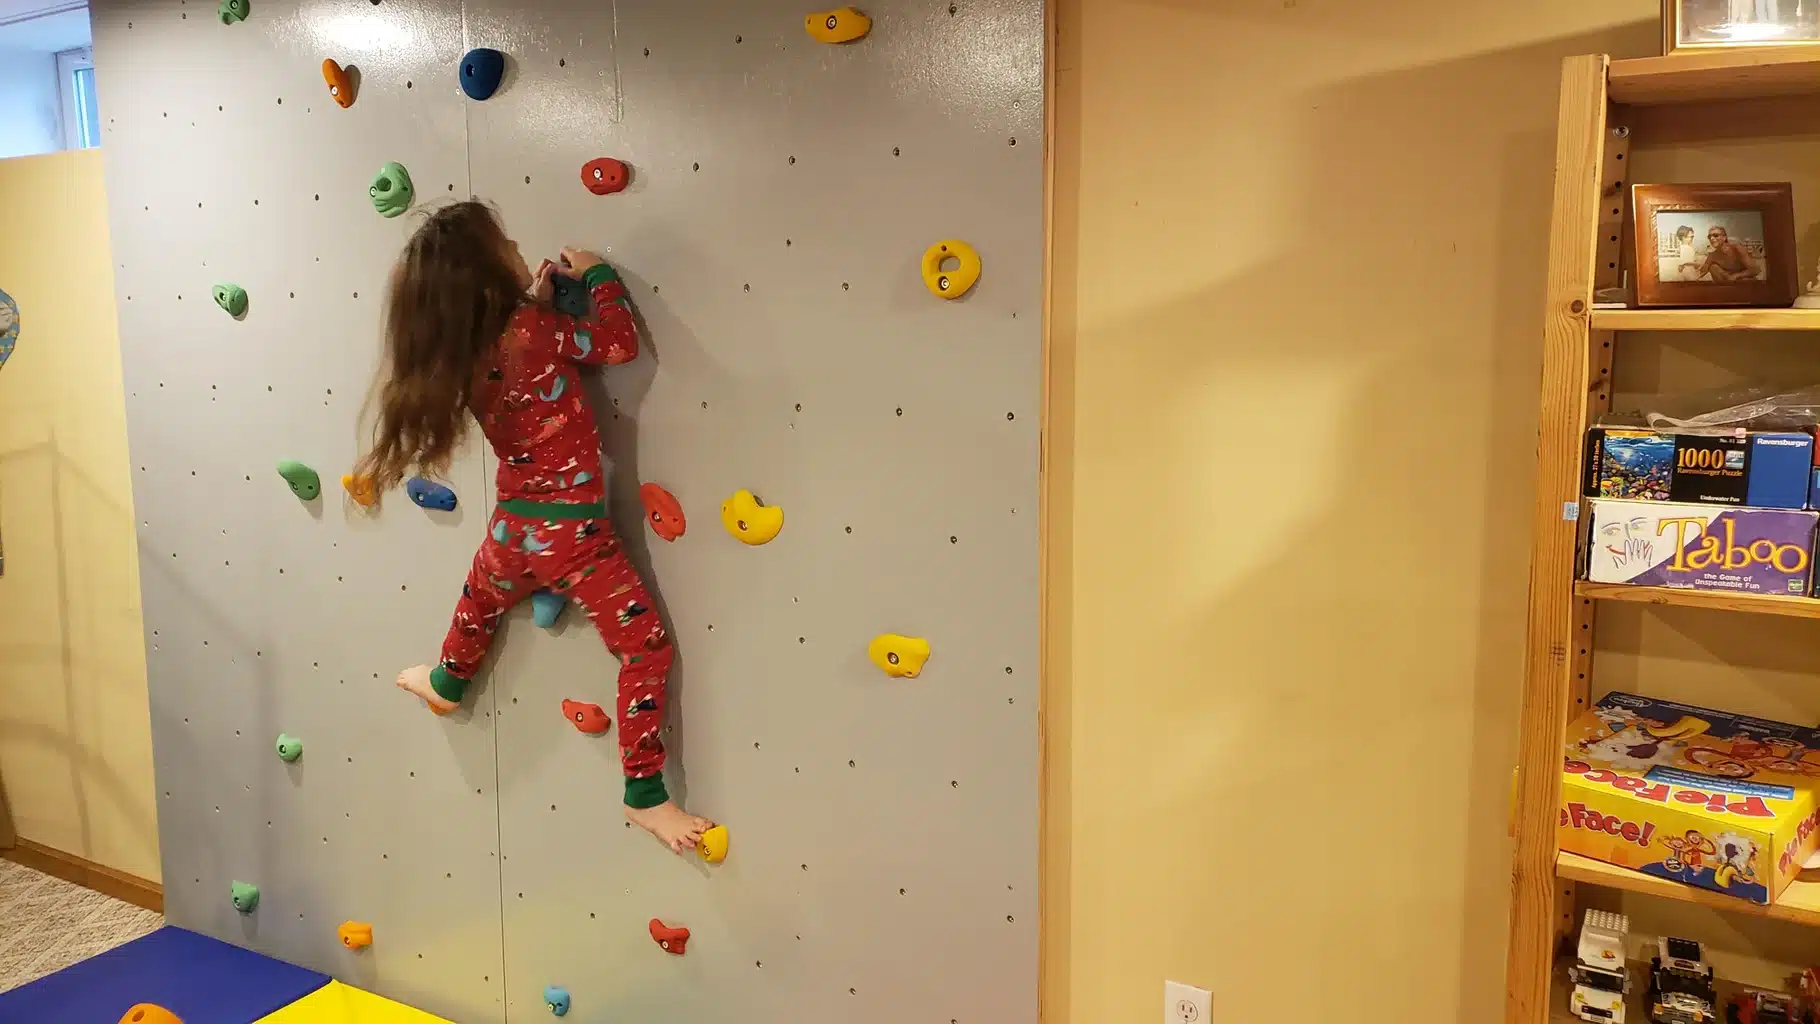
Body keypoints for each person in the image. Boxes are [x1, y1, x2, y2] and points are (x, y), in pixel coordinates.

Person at [353, 200, 712, 855]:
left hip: (515, 529)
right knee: (645, 649)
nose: (519, 248)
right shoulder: (532, 329)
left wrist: (538, 304)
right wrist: (598, 275)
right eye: (507, 243)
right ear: (489, 270)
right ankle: (645, 795)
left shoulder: (465, 349)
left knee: (481, 599)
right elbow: (617, 344)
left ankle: (447, 682)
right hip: (574, 535)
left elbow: (517, 369)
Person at [1693, 225, 1760, 282]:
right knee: (1713, 267)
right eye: (1709, 237)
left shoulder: (1737, 248)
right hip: (1729, 283)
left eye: (1715, 235)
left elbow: (1755, 270)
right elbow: (1701, 272)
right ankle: (1723, 290)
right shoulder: (1712, 255)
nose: (1712, 238)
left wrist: (1736, 275)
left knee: (1745, 279)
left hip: (1745, 282)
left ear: (1724, 238)